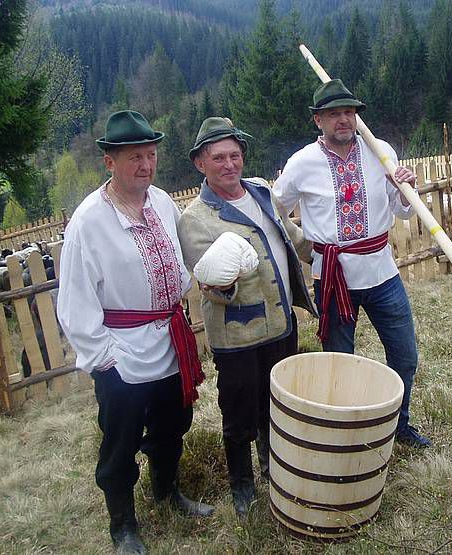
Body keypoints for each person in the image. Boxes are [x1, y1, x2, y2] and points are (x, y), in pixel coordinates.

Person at [57, 110, 214, 555]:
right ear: (110, 162)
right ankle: (123, 525)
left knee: (174, 424)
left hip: (169, 341)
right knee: (120, 440)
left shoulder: (162, 202)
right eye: (134, 158)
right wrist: (105, 358)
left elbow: (183, 260)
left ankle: (167, 491)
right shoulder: (88, 222)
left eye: (151, 155)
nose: (145, 165)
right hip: (122, 351)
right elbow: (75, 303)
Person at [272, 79, 431, 448]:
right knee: (339, 363)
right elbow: (275, 210)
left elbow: (403, 211)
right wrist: (305, 247)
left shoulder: (380, 150)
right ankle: (345, 436)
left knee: (405, 356)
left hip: (382, 273)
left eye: (349, 112)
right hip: (332, 278)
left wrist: (406, 188)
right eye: (333, 114)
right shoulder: (301, 163)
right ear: (318, 120)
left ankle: (398, 425)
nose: (343, 119)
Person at [177, 117, 317, 517]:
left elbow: (290, 236)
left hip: (281, 323)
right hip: (237, 335)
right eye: (218, 158)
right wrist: (222, 282)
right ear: (200, 163)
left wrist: (325, 254)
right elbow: (210, 282)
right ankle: (242, 484)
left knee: (278, 402)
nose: (229, 164)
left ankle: (274, 466)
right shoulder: (195, 219)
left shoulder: (261, 192)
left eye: (234, 155)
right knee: (239, 412)